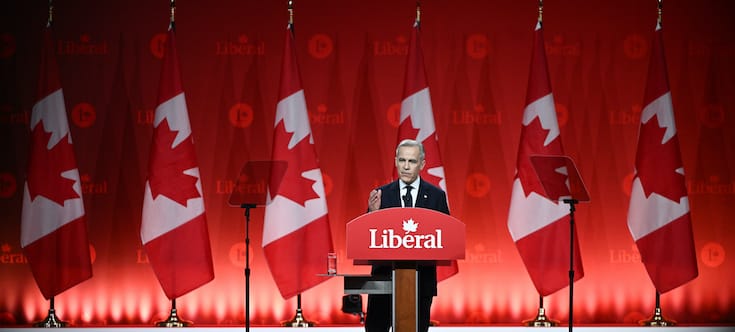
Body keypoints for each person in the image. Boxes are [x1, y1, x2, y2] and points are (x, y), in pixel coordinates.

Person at [365, 139, 450, 332]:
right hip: (384, 280)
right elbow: (367, 238)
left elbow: (446, 237)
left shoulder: (436, 196)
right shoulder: (381, 195)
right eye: (401, 160)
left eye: (411, 161)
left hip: (421, 281)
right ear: (395, 161)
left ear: (422, 164)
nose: (405, 166)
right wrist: (373, 214)